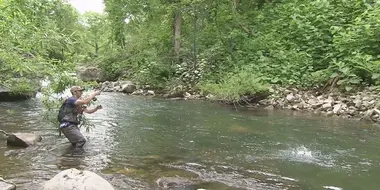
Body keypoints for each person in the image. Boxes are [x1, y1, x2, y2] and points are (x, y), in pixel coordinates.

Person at [58, 86, 102, 150]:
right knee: (81, 140)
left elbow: (87, 111)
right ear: (74, 92)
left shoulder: (77, 102)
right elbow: (85, 101)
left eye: (82, 91)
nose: (82, 92)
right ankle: (75, 157)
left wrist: (96, 108)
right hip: (67, 125)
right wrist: (94, 94)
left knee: (75, 143)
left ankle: (70, 157)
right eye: (80, 91)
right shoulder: (71, 99)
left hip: (70, 126)